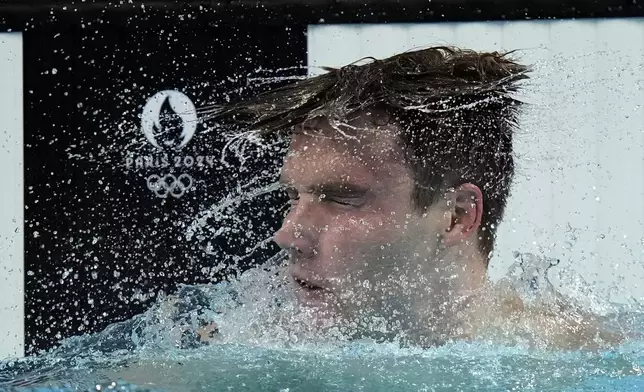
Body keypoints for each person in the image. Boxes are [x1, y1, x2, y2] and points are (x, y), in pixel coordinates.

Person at [206, 45, 623, 349]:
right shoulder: (223, 351)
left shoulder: (582, 363)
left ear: (458, 216)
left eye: (341, 198)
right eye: (294, 198)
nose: (289, 235)